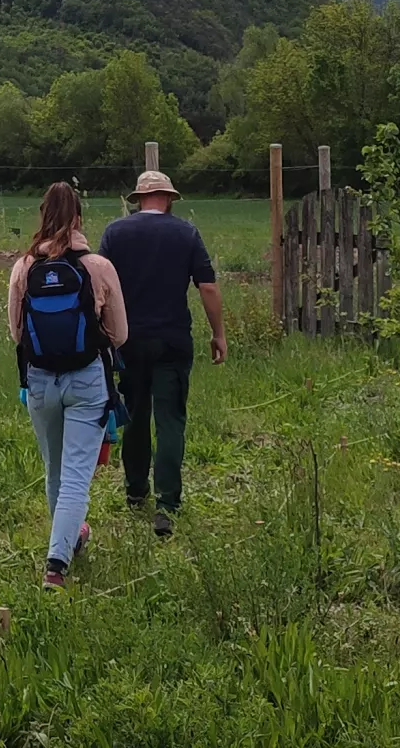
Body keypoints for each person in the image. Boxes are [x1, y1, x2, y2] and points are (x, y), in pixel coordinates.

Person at [6, 183, 128, 590]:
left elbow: (16, 333)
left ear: (43, 216)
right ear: (78, 218)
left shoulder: (24, 267)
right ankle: (56, 564)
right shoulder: (98, 266)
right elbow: (120, 334)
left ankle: (70, 538)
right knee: (77, 474)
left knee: (55, 469)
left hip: (40, 382)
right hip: (87, 379)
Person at [97, 169, 225, 536]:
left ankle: (136, 491)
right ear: (169, 199)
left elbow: (99, 285)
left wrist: (104, 335)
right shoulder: (186, 233)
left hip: (129, 340)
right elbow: (208, 287)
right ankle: (167, 504)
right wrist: (218, 334)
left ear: (138, 200)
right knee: (170, 420)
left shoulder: (115, 233)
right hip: (172, 340)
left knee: (135, 413)